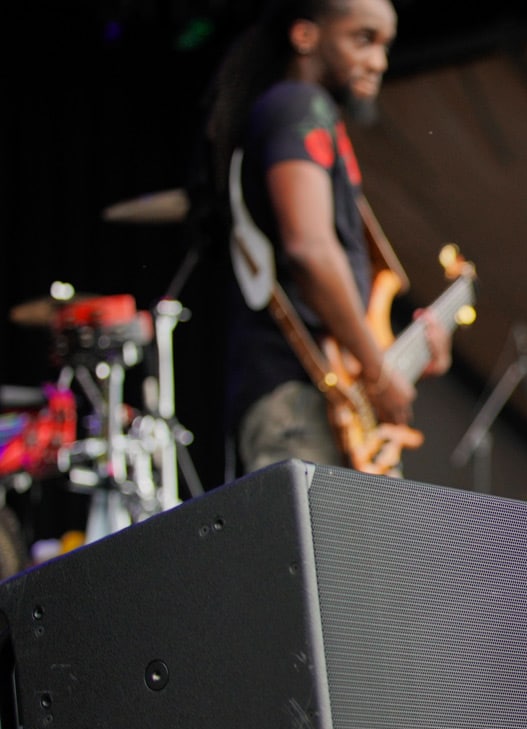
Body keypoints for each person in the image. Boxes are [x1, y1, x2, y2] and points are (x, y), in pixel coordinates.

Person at [188, 0, 451, 475]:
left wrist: (405, 358)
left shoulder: (307, 114)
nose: (379, 61)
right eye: (363, 39)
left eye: (385, 45)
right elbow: (309, 250)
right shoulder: (297, 106)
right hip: (298, 402)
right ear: (306, 36)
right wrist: (377, 372)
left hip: (317, 406)